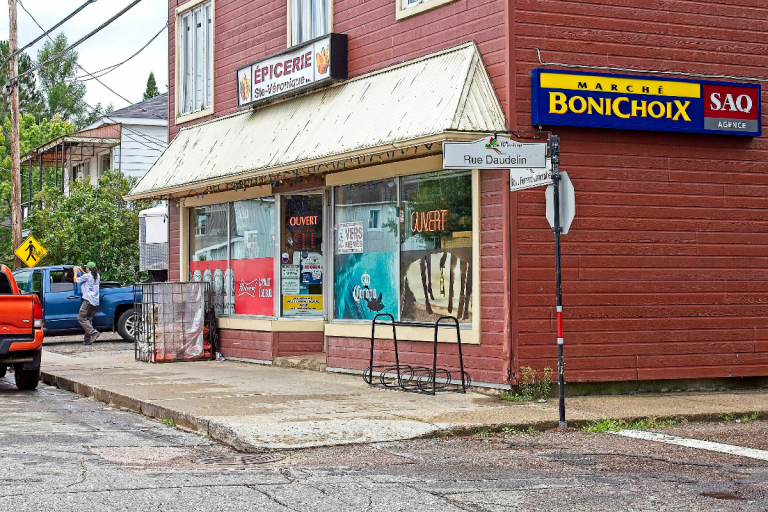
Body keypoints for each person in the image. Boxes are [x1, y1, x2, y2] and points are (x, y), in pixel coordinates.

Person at [74, 262, 100, 345]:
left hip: (88, 300)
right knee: (88, 320)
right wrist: (81, 271)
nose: (86, 269)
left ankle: (93, 333)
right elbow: (87, 277)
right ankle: (87, 340)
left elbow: (75, 281)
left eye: (86, 268)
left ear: (88, 268)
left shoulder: (87, 276)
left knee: (81, 318)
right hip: (95, 300)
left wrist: (75, 272)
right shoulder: (97, 275)